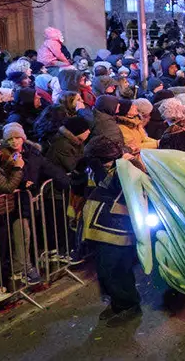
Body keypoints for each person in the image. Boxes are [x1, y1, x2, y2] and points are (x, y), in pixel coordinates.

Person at [81, 137, 142, 325]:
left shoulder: (128, 166)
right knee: (104, 269)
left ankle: (129, 305)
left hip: (119, 228)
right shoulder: (99, 168)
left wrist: (105, 170)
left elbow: (117, 187)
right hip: (100, 227)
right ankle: (117, 303)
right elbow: (88, 188)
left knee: (117, 268)